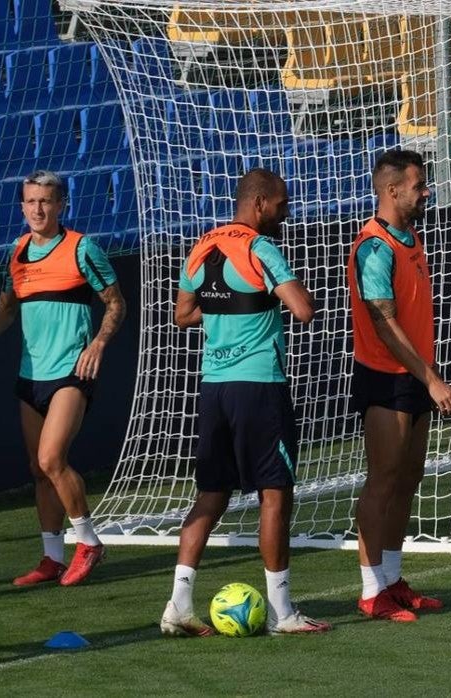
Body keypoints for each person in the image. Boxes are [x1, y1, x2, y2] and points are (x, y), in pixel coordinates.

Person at [159, 168, 332, 637]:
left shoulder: (201, 247)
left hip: (214, 388)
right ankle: (282, 612)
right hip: (258, 386)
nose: (285, 212)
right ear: (258, 203)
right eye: (281, 203)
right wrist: (279, 297)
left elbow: (182, 314)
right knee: (275, 494)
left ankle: (178, 604)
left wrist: (228, 308)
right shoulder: (260, 249)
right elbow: (303, 309)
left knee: (210, 496)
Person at [0, 170, 126, 587]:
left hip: (72, 371)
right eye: (31, 201)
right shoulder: (17, 251)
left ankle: (88, 543)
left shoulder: (82, 248)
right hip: (29, 376)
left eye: (47, 201)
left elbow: (115, 304)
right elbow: (6, 310)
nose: (38, 209)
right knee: (38, 471)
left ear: (61, 205)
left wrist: (99, 344)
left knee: (52, 459)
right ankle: (52, 557)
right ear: (22, 207)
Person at [346, 149, 451, 623]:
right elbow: (383, 323)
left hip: (414, 376)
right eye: (418, 185)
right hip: (386, 378)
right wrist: (431, 378)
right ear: (392, 191)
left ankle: (393, 580)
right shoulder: (374, 246)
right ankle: (371, 590)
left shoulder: (409, 237)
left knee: (409, 476)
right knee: (383, 480)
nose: (426, 191)